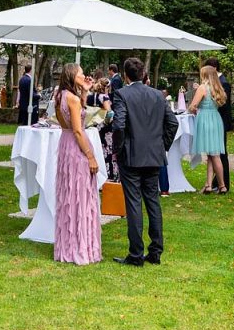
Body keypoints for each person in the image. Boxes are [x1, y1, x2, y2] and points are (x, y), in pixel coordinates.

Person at [111, 57, 179, 266]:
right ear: (143, 74)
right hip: (153, 156)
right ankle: (156, 251)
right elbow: (172, 123)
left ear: (125, 75)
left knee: (133, 204)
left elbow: (119, 125)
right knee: (152, 201)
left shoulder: (122, 94)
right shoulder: (158, 95)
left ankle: (136, 253)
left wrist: (118, 150)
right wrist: (161, 146)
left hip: (131, 157)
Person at [52, 63, 102, 265]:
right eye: (81, 74)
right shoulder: (71, 98)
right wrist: (90, 156)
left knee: (70, 195)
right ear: (73, 76)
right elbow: (78, 130)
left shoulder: (60, 95)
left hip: (65, 145)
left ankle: (69, 245)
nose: (85, 76)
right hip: (76, 146)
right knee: (80, 194)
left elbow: (74, 118)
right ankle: (80, 248)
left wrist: (85, 92)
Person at [188, 66, 228, 194]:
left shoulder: (203, 87)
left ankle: (222, 185)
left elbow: (193, 106)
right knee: (211, 154)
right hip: (215, 119)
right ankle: (209, 185)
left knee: (215, 155)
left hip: (205, 119)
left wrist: (194, 110)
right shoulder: (218, 88)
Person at [202, 57, 232, 192]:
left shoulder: (223, 83)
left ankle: (223, 183)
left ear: (213, 68)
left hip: (219, 121)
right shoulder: (215, 82)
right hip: (215, 120)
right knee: (214, 153)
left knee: (220, 153)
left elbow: (223, 105)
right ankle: (215, 182)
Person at [89, 77, 118, 181]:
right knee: (107, 151)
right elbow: (109, 113)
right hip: (105, 128)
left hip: (94, 126)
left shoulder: (90, 97)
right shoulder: (104, 97)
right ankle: (108, 175)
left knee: (97, 149)